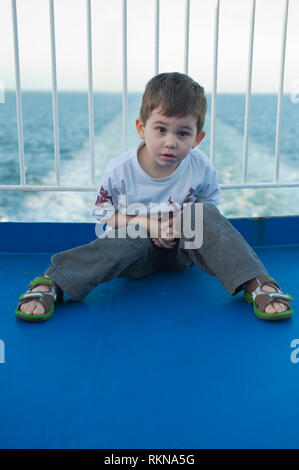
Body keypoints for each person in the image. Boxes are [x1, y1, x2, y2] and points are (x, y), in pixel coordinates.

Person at [15, 72, 294, 322]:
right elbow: (102, 214)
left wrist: (177, 223)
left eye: (183, 133)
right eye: (161, 129)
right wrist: (149, 225)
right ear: (141, 128)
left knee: (204, 214)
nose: (170, 141)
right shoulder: (120, 170)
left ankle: (256, 282)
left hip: (185, 251)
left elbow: (210, 209)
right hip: (137, 254)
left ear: (197, 138)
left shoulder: (201, 166)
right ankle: (54, 283)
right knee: (129, 235)